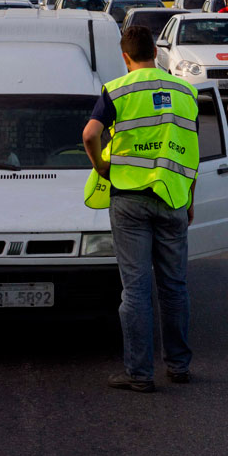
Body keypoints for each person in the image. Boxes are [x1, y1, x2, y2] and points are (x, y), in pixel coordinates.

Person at [82, 25, 200, 392]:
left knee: (135, 291)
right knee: (174, 287)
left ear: (126, 57)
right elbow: (190, 150)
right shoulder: (186, 92)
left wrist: (101, 166)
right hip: (173, 199)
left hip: (129, 199)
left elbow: (89, 134)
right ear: (156, 52)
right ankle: (179, 366)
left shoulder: (117, 90)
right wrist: (190, 199)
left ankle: (139, 373)